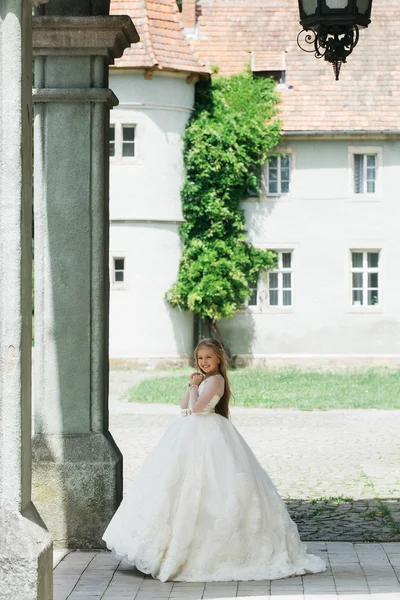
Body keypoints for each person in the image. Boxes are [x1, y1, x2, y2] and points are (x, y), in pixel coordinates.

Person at [102, 338, 326, 582]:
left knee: (212, 483)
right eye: (200, 358)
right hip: (191, 432)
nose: (203, 362)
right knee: (174, 482)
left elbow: (197, 408)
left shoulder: (216, 380)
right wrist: (192, 385)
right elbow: (184, 407)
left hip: (208, 433)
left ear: (219, 358)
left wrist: (195, 386)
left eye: (208, 357)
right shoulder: (203, 380)